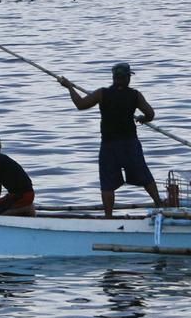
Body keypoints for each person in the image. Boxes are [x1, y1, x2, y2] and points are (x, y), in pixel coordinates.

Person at [60, 62, 162, 216]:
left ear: (114, 77)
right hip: (130, 144)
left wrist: (69, 87)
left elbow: (80, 104)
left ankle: (109, 217)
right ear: (127, 78)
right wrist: (143, 118)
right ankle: (159, 204)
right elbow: (151, 114)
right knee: (144, 175)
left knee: (107, 183)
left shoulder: (102, 93)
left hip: (109, 145)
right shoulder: (135, 95)